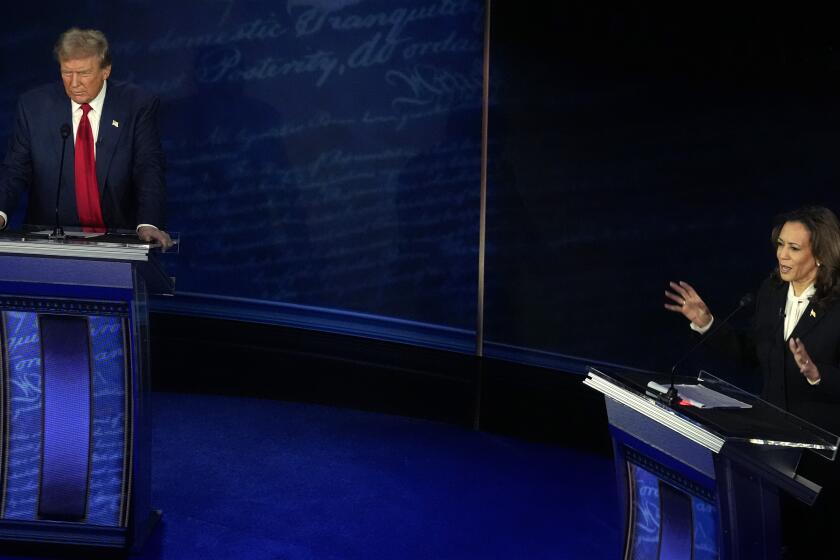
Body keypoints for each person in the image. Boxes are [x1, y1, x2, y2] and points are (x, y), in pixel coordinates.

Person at [665, 205, 840, 558]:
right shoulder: (773, 291)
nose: (782, 255)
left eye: (794, 247)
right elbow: (752, 354)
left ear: (820, 256)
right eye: (780, 244)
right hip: (773, 446)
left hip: (823, 454)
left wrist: (819, 375)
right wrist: (708, 323)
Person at [0, 27, 173, 249]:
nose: (74, 83)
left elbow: (148, 167)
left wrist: (149, 222)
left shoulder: (136, 105)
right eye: (66, 73)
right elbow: (15, 169)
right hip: (47, 243)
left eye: (83, 73)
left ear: (106, 70)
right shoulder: (33, 107)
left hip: (118, 241)